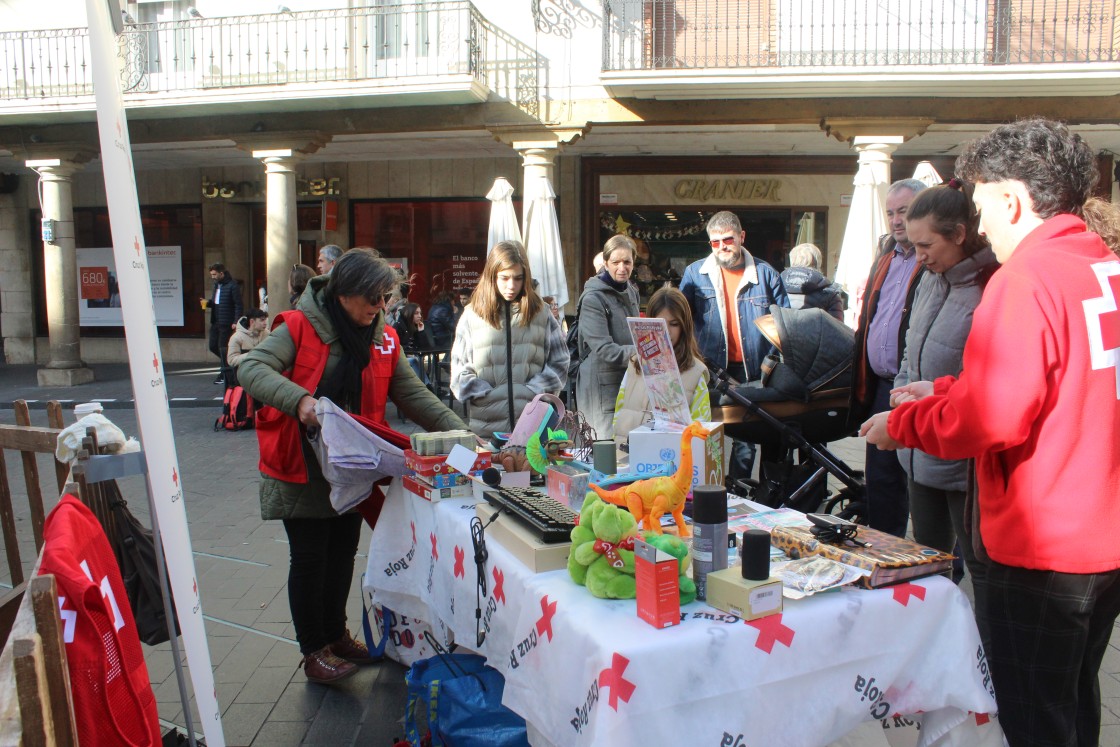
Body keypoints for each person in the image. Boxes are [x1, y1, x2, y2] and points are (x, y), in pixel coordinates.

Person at [861, 118, 1120, 747]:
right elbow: (1056, 385)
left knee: (1031, 718)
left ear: (1012, 198)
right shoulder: (1101, 264)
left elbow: (993, 419)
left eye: (980, 208)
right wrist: (946, 389)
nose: (981, 226)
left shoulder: (1025, 279)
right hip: (1101, 534)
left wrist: (906, 424)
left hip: (1041, 545)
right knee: (1074, 700)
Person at [238, 248, 468, 685]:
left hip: (353, 466)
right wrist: (299, 400)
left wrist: (463, 437)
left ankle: (336, 635)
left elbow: (414, 395)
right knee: (309, 558)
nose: (381, 307)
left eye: (385, 298)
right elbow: (251, 367)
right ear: (344, 294)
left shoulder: (382, 334)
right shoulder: (300, 325)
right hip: (302, 465)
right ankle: (314, 650)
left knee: (343, 551)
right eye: (374, 299)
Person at [891, 182, 998, 585]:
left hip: (964, 463)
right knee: (927, 564)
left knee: (979, 565)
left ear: (958, 235)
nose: (918, 256)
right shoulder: (929, 279)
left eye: (926, 246)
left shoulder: (991, 287)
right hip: (920, 449)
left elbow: (985, 382)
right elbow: (910, 348)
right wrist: (901, 393)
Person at [679, 211, 789, 483]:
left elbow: (785, 327)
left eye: (727, 240)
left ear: (741, 237)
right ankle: (715, 490)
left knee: (747, 437)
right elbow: (681, 320)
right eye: (715, 242)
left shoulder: (766, 274)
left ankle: (744, 493)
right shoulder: (695, 274)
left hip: (759, 369)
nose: (722, 247)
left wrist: (773, 362)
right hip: (712, 369)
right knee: (708, 432)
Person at [850, 178, 927, 537]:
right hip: (882, 386)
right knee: (881, 479)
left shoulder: (931, 261)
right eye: (891, 213)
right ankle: (884, 553)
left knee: (923, 480)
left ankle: (942, 566)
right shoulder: (886, 257)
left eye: (905, 211)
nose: (897, 220)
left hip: (919, 388)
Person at [451, 240, 568, 440]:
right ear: (492, 276)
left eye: (518, 278)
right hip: (486, 429)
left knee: (533, 472)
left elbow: (560, 362)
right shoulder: (471, 315)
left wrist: (533, 391)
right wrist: (485, 393)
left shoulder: (541, 313)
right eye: (504, 278)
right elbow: (459, 371)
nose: (511, 286)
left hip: (534, 427)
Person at [612, 286, 711, 447]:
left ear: (684, 326)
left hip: (673, 462)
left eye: (674, 324)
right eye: (660, 324)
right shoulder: (635, 364)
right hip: (627, 456)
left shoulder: (695, 372)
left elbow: (701, 431)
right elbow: (619, 412)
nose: (667, 332)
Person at [575, 234, 641, 439]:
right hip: (599, 388)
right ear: (605, 263)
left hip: (626, 381)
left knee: (626, 452)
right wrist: (642, 353)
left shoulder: (631, 291)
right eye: (616, 262)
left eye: (627, 262)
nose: (622, 267)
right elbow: (604, 349)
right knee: (604, 452)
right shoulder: (593, 298)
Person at [202, 262, 243, 385]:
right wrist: (207, 303)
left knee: (222, 348)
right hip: (216, 321)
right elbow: (217, 302)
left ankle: (224, 374)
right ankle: (230, 364)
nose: (213, 277)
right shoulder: (217, 286)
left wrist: (236, 321)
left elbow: (238, 305)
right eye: (211, 274)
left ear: (221, 273)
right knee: (213, 346)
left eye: (214, 274)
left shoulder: (232, 286)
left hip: (226, 322)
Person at [780, 243, 844, 321]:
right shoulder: (830, 292)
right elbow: (837, 328)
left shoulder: (776, 286)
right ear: (818, 263)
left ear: (792, 260)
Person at [393, 302, 434, 385]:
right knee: (413, 361)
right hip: (399, 360)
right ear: (409, 314)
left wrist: (421, 331)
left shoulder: (415, 326)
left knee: (417, 361)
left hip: (413, 357)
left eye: (420, 313)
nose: (420, 316)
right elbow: (394, 347)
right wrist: (408, 353)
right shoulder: (398, 326)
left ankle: (426, 386)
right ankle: (428, 386)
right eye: (416, 313)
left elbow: (426, 348)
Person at [226, 308, 270, 375]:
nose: (265, 323)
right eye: (262, 320)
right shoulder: (237, 337)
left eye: (265, 320)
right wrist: (251, 355)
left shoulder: (266, 333)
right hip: (244, 374)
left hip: (263, 371)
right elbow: (231, 360)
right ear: (252, 321)